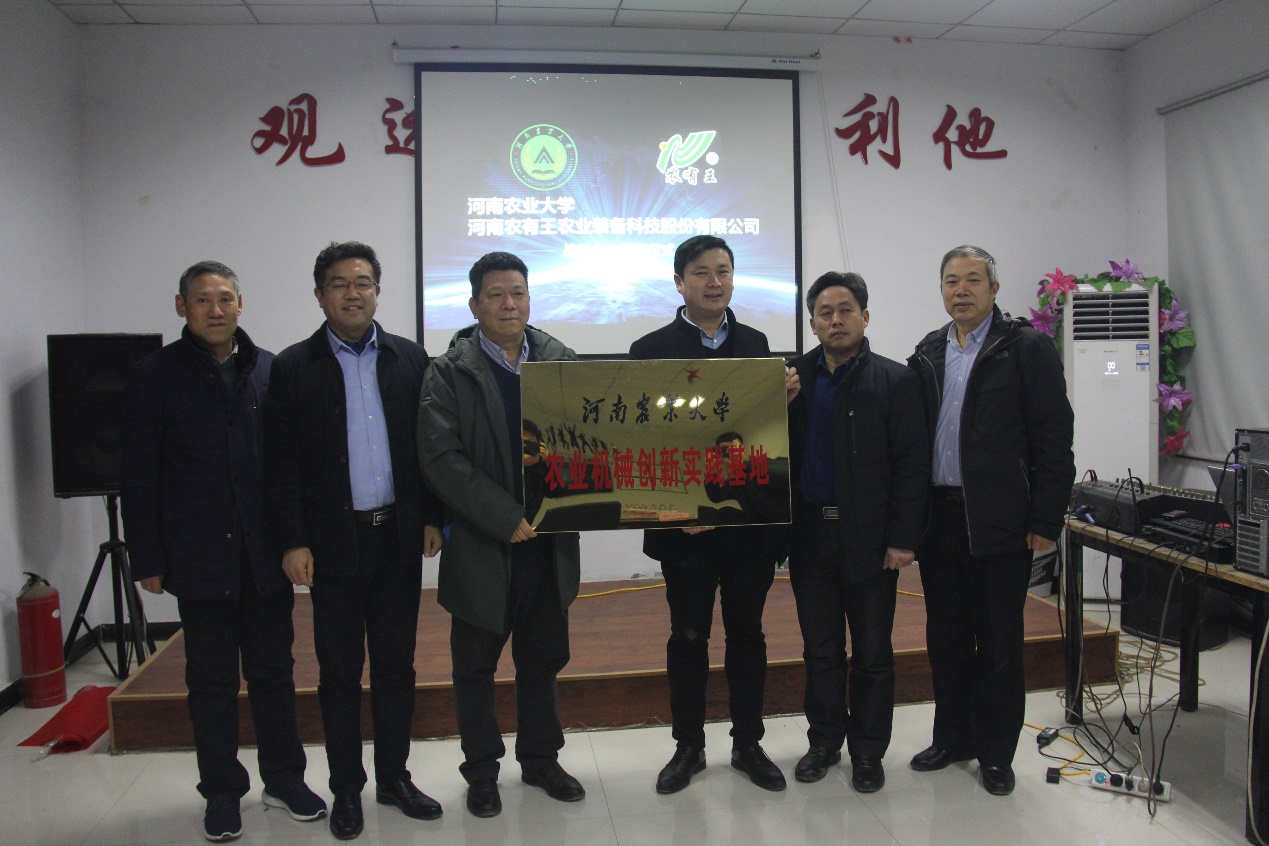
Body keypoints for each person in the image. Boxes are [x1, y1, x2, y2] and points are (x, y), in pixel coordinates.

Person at [120, 261, 326, 842]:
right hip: (198, 556)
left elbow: (290, 465)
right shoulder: (153, 375)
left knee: (274, 673)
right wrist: (148, 557)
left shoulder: (270, 370)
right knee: (210, 682)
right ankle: (221, 791)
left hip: (265, 557)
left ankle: (284, 780)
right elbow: (138, 473)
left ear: (241, 304)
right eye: (203, 300)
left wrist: (298, 539)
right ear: (181, 307)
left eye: (226, 298)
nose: (216, 310)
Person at [265, 242, 445, 840]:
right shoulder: (293, 367)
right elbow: (280, 464)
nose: (352, 293)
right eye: (339, 284)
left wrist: (432, 517)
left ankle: (394, 778)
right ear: (320, 295)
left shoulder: (409, 358)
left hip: (397, 540)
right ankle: (347, 788)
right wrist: (292, 540)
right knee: (340, 673)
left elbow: (428, 449)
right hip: (332, 547)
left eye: (363, 282)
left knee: (396, 668)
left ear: (378, 291)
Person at [628, 234, 799, 795]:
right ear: (679, 282)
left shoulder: (757, 345)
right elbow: (645, 441)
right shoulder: (649, 349)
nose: (714, 282)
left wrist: (781, 399)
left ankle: (748, 743)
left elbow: (759, 434)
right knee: (688, 637)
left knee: (748, 633)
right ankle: (689, 747)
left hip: (745, 524)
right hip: (686, 529)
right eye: (701, 272)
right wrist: (684, 505)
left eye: (723, 270)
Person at [417, 251, 585, 819]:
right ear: (474, 305)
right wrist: (501, 515)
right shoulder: (448, 372)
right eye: (495, 294)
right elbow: (441, 458)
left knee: (542, 660)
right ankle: (482, 772)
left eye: (518, 293)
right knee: (474, 667)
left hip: (548, 542)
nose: (508, 304)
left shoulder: (561, 362)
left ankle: (540, 760)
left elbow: (590, 440)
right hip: (481, 545)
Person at [906, 245, 1075, 796]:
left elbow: (1054, 438)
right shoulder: (929, 351)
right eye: (951, 280)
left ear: (994, 289)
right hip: (940, 520)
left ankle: (996, 753)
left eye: (973, 280)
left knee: (1000, 643)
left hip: (1000, 520)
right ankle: (952, 739)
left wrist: (1045, 518)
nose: (961, 290)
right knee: (946, 639)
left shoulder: (1025, 348)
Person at [785, 271, 928, 792]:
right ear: (812, 323)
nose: (836, 320)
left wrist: (903, 538)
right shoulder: (791, 379)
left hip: (870, 538)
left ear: (865, 317)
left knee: (872, 652)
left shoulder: (896, 380)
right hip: (809, 534)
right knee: (820, 649)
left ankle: (868, 751)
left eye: (846, 310)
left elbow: (912, 465)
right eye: (825, 312)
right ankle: (824, 742)